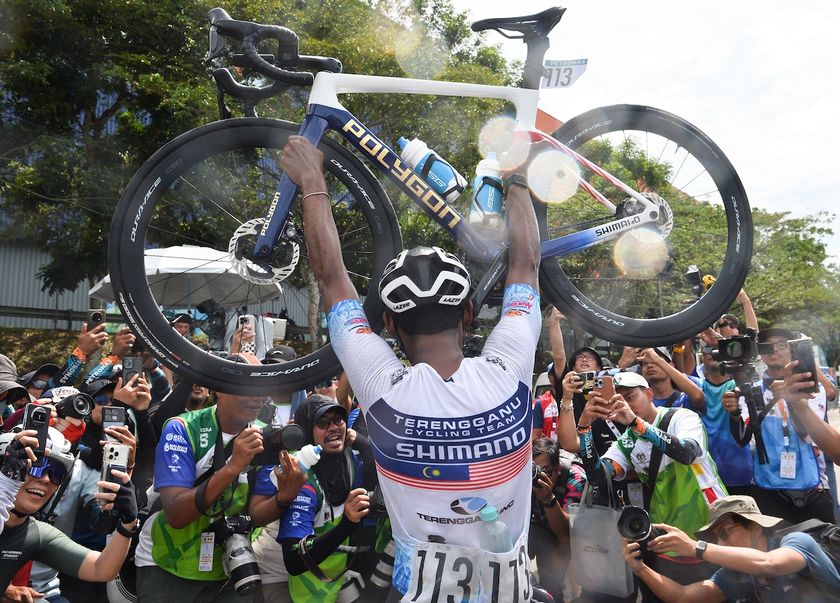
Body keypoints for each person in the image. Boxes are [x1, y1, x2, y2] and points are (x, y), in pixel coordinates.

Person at [281, 134, 541, 601]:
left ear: (390, 325)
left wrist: (311, 179)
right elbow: (526, 266)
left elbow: (331, 277)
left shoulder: (383, 390)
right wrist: (517, 179)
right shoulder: (509, 375)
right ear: (467, 314)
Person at [133, 353, 303, 603]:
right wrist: (232, 467)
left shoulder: (263, 435)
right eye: (247, 386)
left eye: (261, 387)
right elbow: (177, 515)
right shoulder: (182, 428)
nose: (257, 396)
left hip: (227, 569)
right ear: (219, 388)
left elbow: (254, 515)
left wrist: (284, 498)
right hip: (167, 564)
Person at [578, 371, 726, 601]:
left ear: (649, 394)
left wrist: (636, 423)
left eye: (630, 397)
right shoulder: (627, 441)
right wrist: (585, 428)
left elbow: (687, 453)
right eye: (618, 399)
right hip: (666, 535)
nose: (625, 404)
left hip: (710, 524)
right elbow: (598, 476)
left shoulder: (681, 417)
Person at [251, 395, 369, 602]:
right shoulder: (296, 471)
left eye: (338, 420)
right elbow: (295, 560)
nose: (333, 427)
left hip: (323, 569)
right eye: (323, 423)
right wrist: (347, 525)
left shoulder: (348, 459)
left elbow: (377, 475)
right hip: (277, 568)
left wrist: (360, 441)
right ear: (305, 430)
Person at [623, 495, 840, 602]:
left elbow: (769, 564)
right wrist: (640, 568)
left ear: (755, 528)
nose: (720, 543)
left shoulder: (797, 542)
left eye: (725, 532)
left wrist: (695, 547)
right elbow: (683, 596)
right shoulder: (738, 573)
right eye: (716, 537)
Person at [0, 428, 138, 596]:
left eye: (57, 472)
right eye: (36, 467)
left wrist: (128, 523)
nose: (46, 479)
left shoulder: (37, 533)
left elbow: (101, 569)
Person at [724, 327, 835, 523]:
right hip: (768, 489)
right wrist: (733, 414)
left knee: (822, 542)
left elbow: (807, 436)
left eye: (782, 345)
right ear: (761, 354)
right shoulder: (750, 391)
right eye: (767, 346)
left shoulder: (812, 388)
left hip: (813, 489)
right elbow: (742, 439)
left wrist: (792, 401)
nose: (774, 349)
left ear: (792, 350)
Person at [529, 437, 586, 602]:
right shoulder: (522, 477)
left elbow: (567, 534)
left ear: (558, 468)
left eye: (545, 471)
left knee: (551, 582)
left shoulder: (575, 478)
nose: (539, 477)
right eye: (534, 470)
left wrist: (548, 499)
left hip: (567, 536)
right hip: (537, 526)